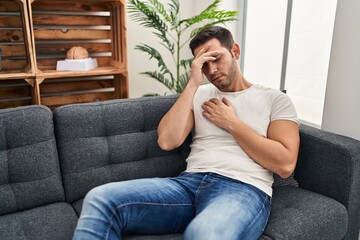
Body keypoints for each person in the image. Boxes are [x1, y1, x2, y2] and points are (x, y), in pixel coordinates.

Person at [73, 26, 300, 240]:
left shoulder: (274, 99)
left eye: (216, 58)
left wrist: (232, 123)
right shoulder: (199, 94)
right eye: (204, 64)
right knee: (100, 199)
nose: (211, 70)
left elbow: (285, 164)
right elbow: (167, 140)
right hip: (187, 185)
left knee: (203, 233)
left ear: (235, 51)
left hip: (243, 189)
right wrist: (192, 84)